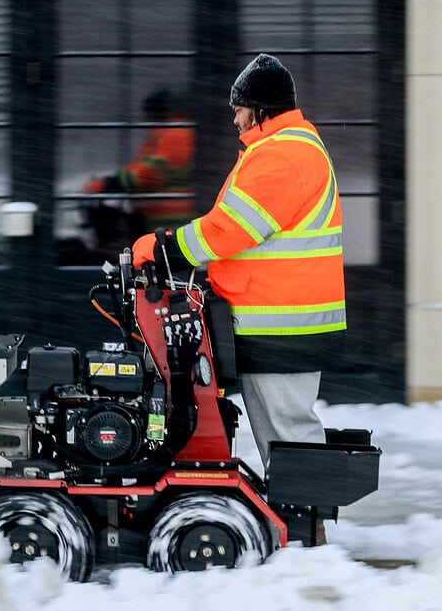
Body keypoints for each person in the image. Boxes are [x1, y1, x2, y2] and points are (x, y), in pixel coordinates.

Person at [132, 53, 346, 480]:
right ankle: (297, 519)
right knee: (278, 432)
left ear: (262, 108)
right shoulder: (282, 147)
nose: (235, 119)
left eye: (239, 109)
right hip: (276, 320)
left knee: (288, 430)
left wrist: (166, 248)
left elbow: (231, 229)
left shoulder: (283, 155)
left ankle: (308, 530)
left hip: (283, 324)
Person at [82, 89, 195, 255]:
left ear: (158, 113)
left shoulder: (176, 135)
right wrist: (112, 180)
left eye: (148, 115)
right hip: (159, 217)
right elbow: (139, 167)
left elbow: (149, 174)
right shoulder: (167, 134)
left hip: (168, 219)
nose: (146, 122)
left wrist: (107, 184)